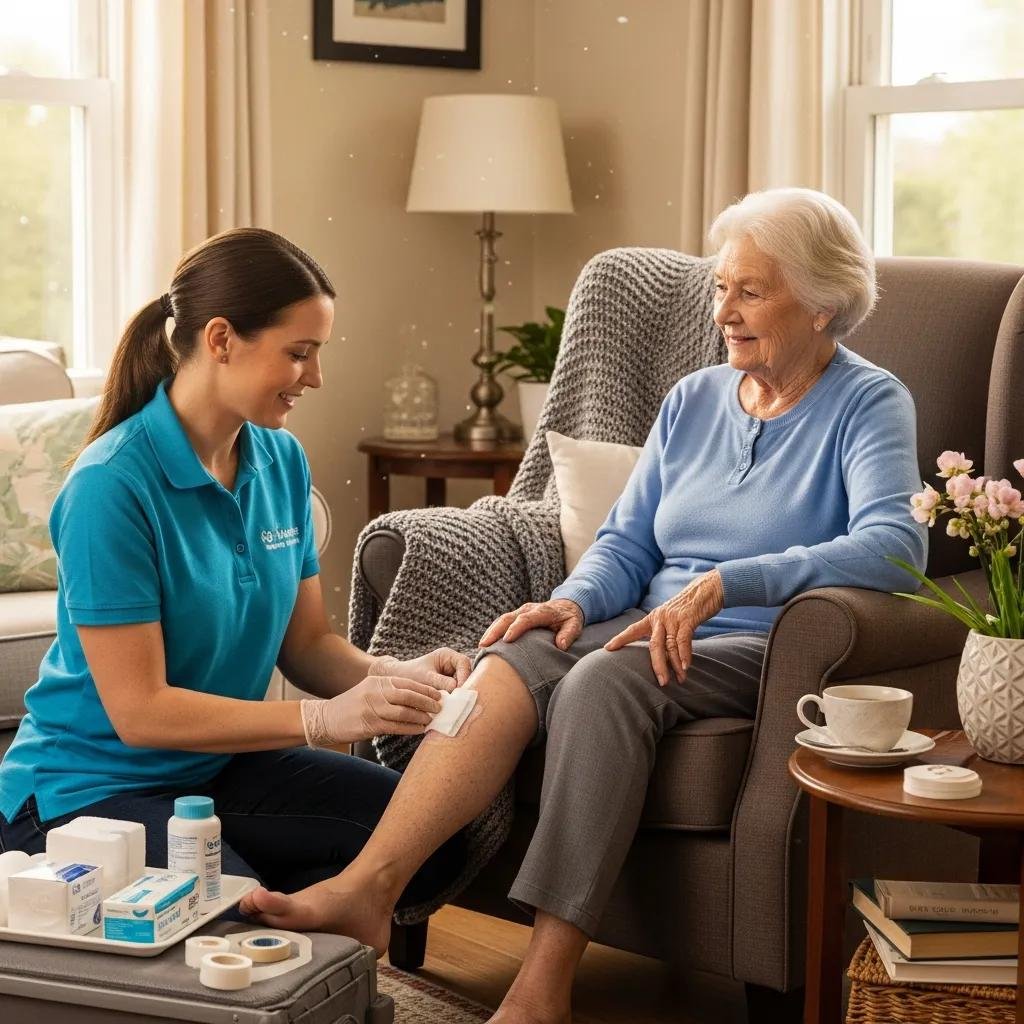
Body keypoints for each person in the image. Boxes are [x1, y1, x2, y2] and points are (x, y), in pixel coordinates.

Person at [239, 189, 927, 1024]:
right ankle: (368, 890)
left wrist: (731, 582)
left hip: (763, 641)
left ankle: (543, 988)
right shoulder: (694, 399)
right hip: (646, 623)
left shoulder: (869, 402)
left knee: (604, 683)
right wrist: (569, 602)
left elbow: (896, 546)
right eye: (721, 288)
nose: (724, 313)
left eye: (750, 292)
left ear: (822, 304)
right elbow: (627, 542)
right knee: (505, 664)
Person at [0, 227, 467, 913]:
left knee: (427, 838)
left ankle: (293, 914)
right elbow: (140, 712)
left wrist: (395, 678)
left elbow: (308, 646)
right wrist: (321, 720)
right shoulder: (111, 485)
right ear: (220, 339)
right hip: (87, 793)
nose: (315, 377)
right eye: (298, 353)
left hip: (218, 773)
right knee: (224, 911)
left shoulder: (281, 461)